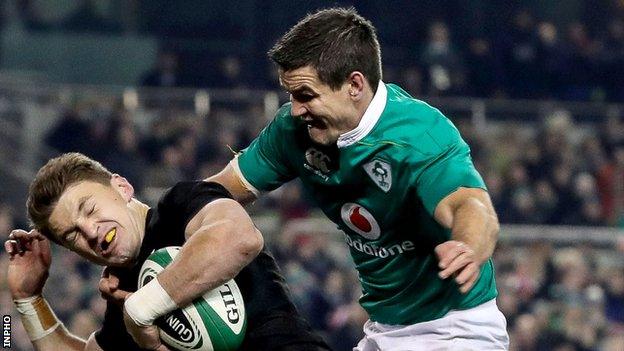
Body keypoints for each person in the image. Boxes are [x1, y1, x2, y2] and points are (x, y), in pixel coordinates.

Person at [206, 7, 509, 350]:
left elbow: (470, 204)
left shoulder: (419, 136)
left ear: (354, 85)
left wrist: (468, 246)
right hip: (382, 330)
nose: (295, 110)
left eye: (306, 95)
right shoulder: (293, 129)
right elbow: (218, 192)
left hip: (453, 330)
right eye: (290, 96)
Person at [5, 152, 330, 351]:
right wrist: (28, 300)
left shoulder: (180, 205)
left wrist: (142, 309)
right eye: (72, 234)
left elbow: (237, 237)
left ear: (121, 188)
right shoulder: (122, 294)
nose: (90, 231)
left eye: (89, 209)